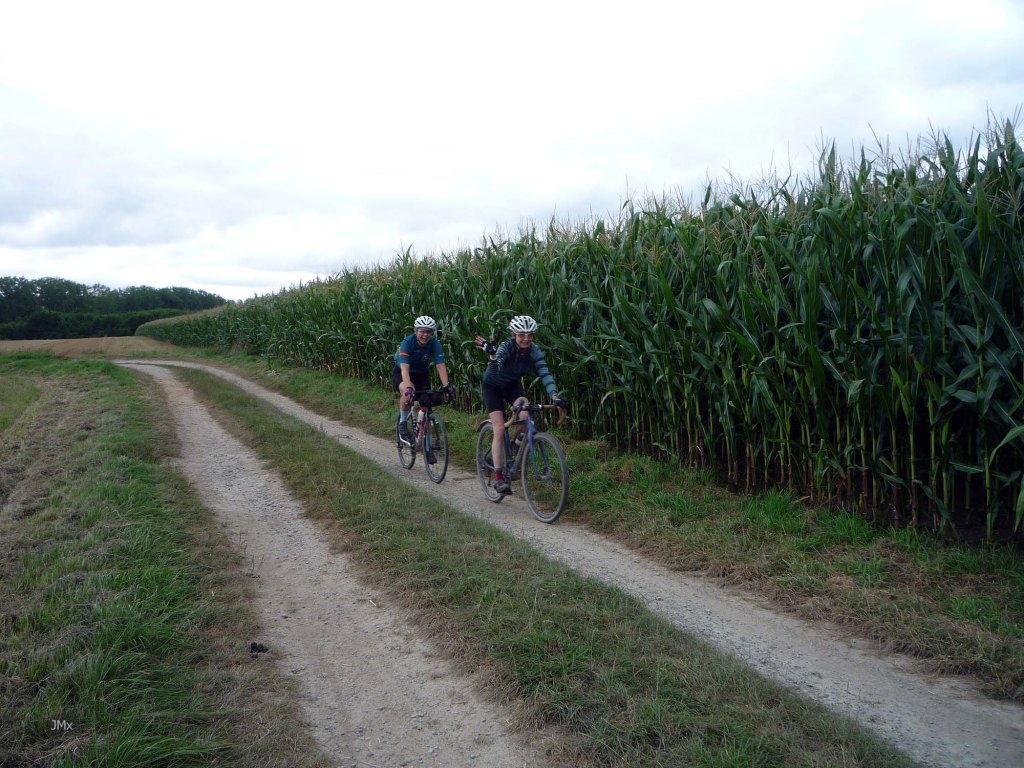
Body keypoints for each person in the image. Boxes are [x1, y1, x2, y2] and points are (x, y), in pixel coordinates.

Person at [475, 315, 567, 495]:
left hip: (512, 386)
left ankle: (515, 446)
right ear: (514, 335)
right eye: (521, 335)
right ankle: (499, 478)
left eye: (530, 335)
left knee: (526, 416)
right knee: (499, 429)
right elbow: (495, 370)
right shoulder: (506, 347)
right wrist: (492, 355)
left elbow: (545, 373)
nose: (526, 338)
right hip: (492, 387)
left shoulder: (534, 351)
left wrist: (555, 396)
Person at [393, 315, 453, 445]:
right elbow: (405, 369)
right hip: (403, 373)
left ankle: (425, 442)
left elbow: (440, 365)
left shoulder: (434, 343)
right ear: (415, 331)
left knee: (426, 402)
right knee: (408, 394)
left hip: (421, 375)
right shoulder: (407, 343)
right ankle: (402, 423)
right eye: (422, 331)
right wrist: (409, 388)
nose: (425, 335)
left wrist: (446, 386)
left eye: (429, 332)